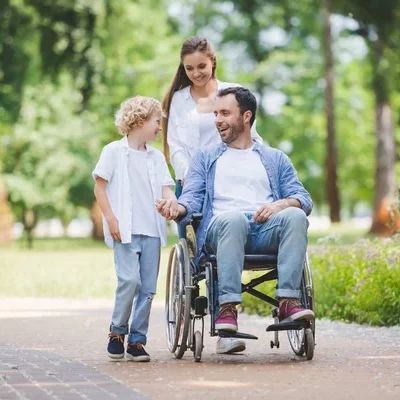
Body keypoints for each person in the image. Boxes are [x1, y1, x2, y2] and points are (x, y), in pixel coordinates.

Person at [157, 87, 314, 346]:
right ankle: (227, 308)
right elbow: (192, 199)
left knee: (295, 216)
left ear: (246, 117)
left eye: (225, 113)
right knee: (234, 219)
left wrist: (280, 205)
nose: (217, 119)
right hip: (222, 231)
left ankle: (288, 301)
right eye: (216, 113)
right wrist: (177, 208)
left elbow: (304, 199)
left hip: (264, 231)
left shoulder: (275, 158)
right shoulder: (205, 158)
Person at [161, 36, 262, 354]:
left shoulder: (232, 93)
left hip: (230, 183)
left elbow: (250, 133)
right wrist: (192, 176)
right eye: (189, 68)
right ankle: (204, 311)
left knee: (223, 248)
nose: (196, 73)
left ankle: (226, 331)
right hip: (192, 184)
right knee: (198, 258)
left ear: (213, 61)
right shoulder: (178, 100)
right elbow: (175, 145)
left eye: (201, 66)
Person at [93, 96, 178, 362]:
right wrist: (111, 219)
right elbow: (100, 187)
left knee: (148, 288)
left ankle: (137, 340)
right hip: (125, 231)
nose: (159, 127)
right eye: (157, 121)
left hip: (152, 230)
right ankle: (117, 331)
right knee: (129, 281)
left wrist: (171, 204)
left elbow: (167, 189)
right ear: (140, 121)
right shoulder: (113, 152)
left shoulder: (156, 158)